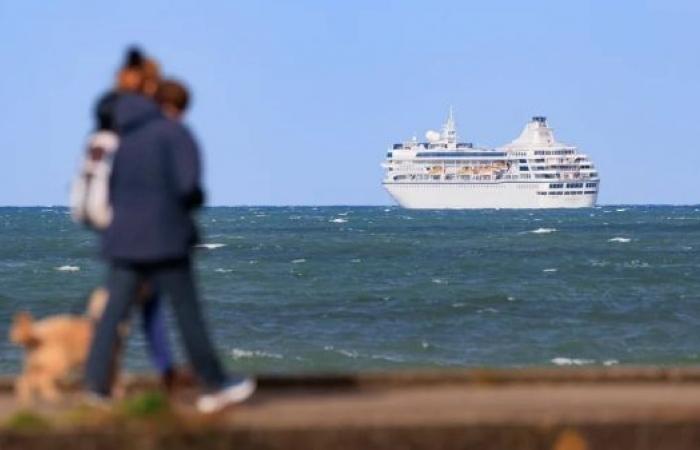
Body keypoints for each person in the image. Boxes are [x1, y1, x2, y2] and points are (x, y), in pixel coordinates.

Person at [84, 54, 255, 413]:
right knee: (187, 312)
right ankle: (215, 384)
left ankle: (96, 388)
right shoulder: (174, 133)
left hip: (124, 239)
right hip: (164, 239)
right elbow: (188, 186)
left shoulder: (125, 136)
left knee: (113, 315)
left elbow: (113, 186)